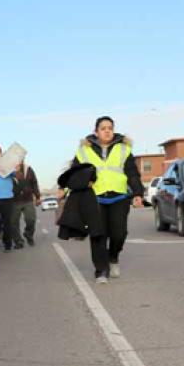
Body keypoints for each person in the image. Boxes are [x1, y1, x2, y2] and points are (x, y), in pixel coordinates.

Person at [71, 116, 144, 283]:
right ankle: (101, 271)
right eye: (103, 128)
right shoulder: (84, 151)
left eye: (110, 128)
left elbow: (132, 173)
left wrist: (138, 193)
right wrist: (68, 189)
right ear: (96, 132)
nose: (107, 131)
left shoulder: (123, 149)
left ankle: (113, 257)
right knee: (98, 235)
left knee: (119, 233)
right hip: (94, 198)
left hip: (119, 197)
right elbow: (75, 173)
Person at [11, 159, 41, 248]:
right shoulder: (8, 170)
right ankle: (18, 241)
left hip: (28, 199)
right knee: (13, 223)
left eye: (21, 157)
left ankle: (28, 234)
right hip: (14, 200)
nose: (19, 159)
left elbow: (34, 183)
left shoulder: (28, 169)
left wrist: (38, 196)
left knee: (31, 219)